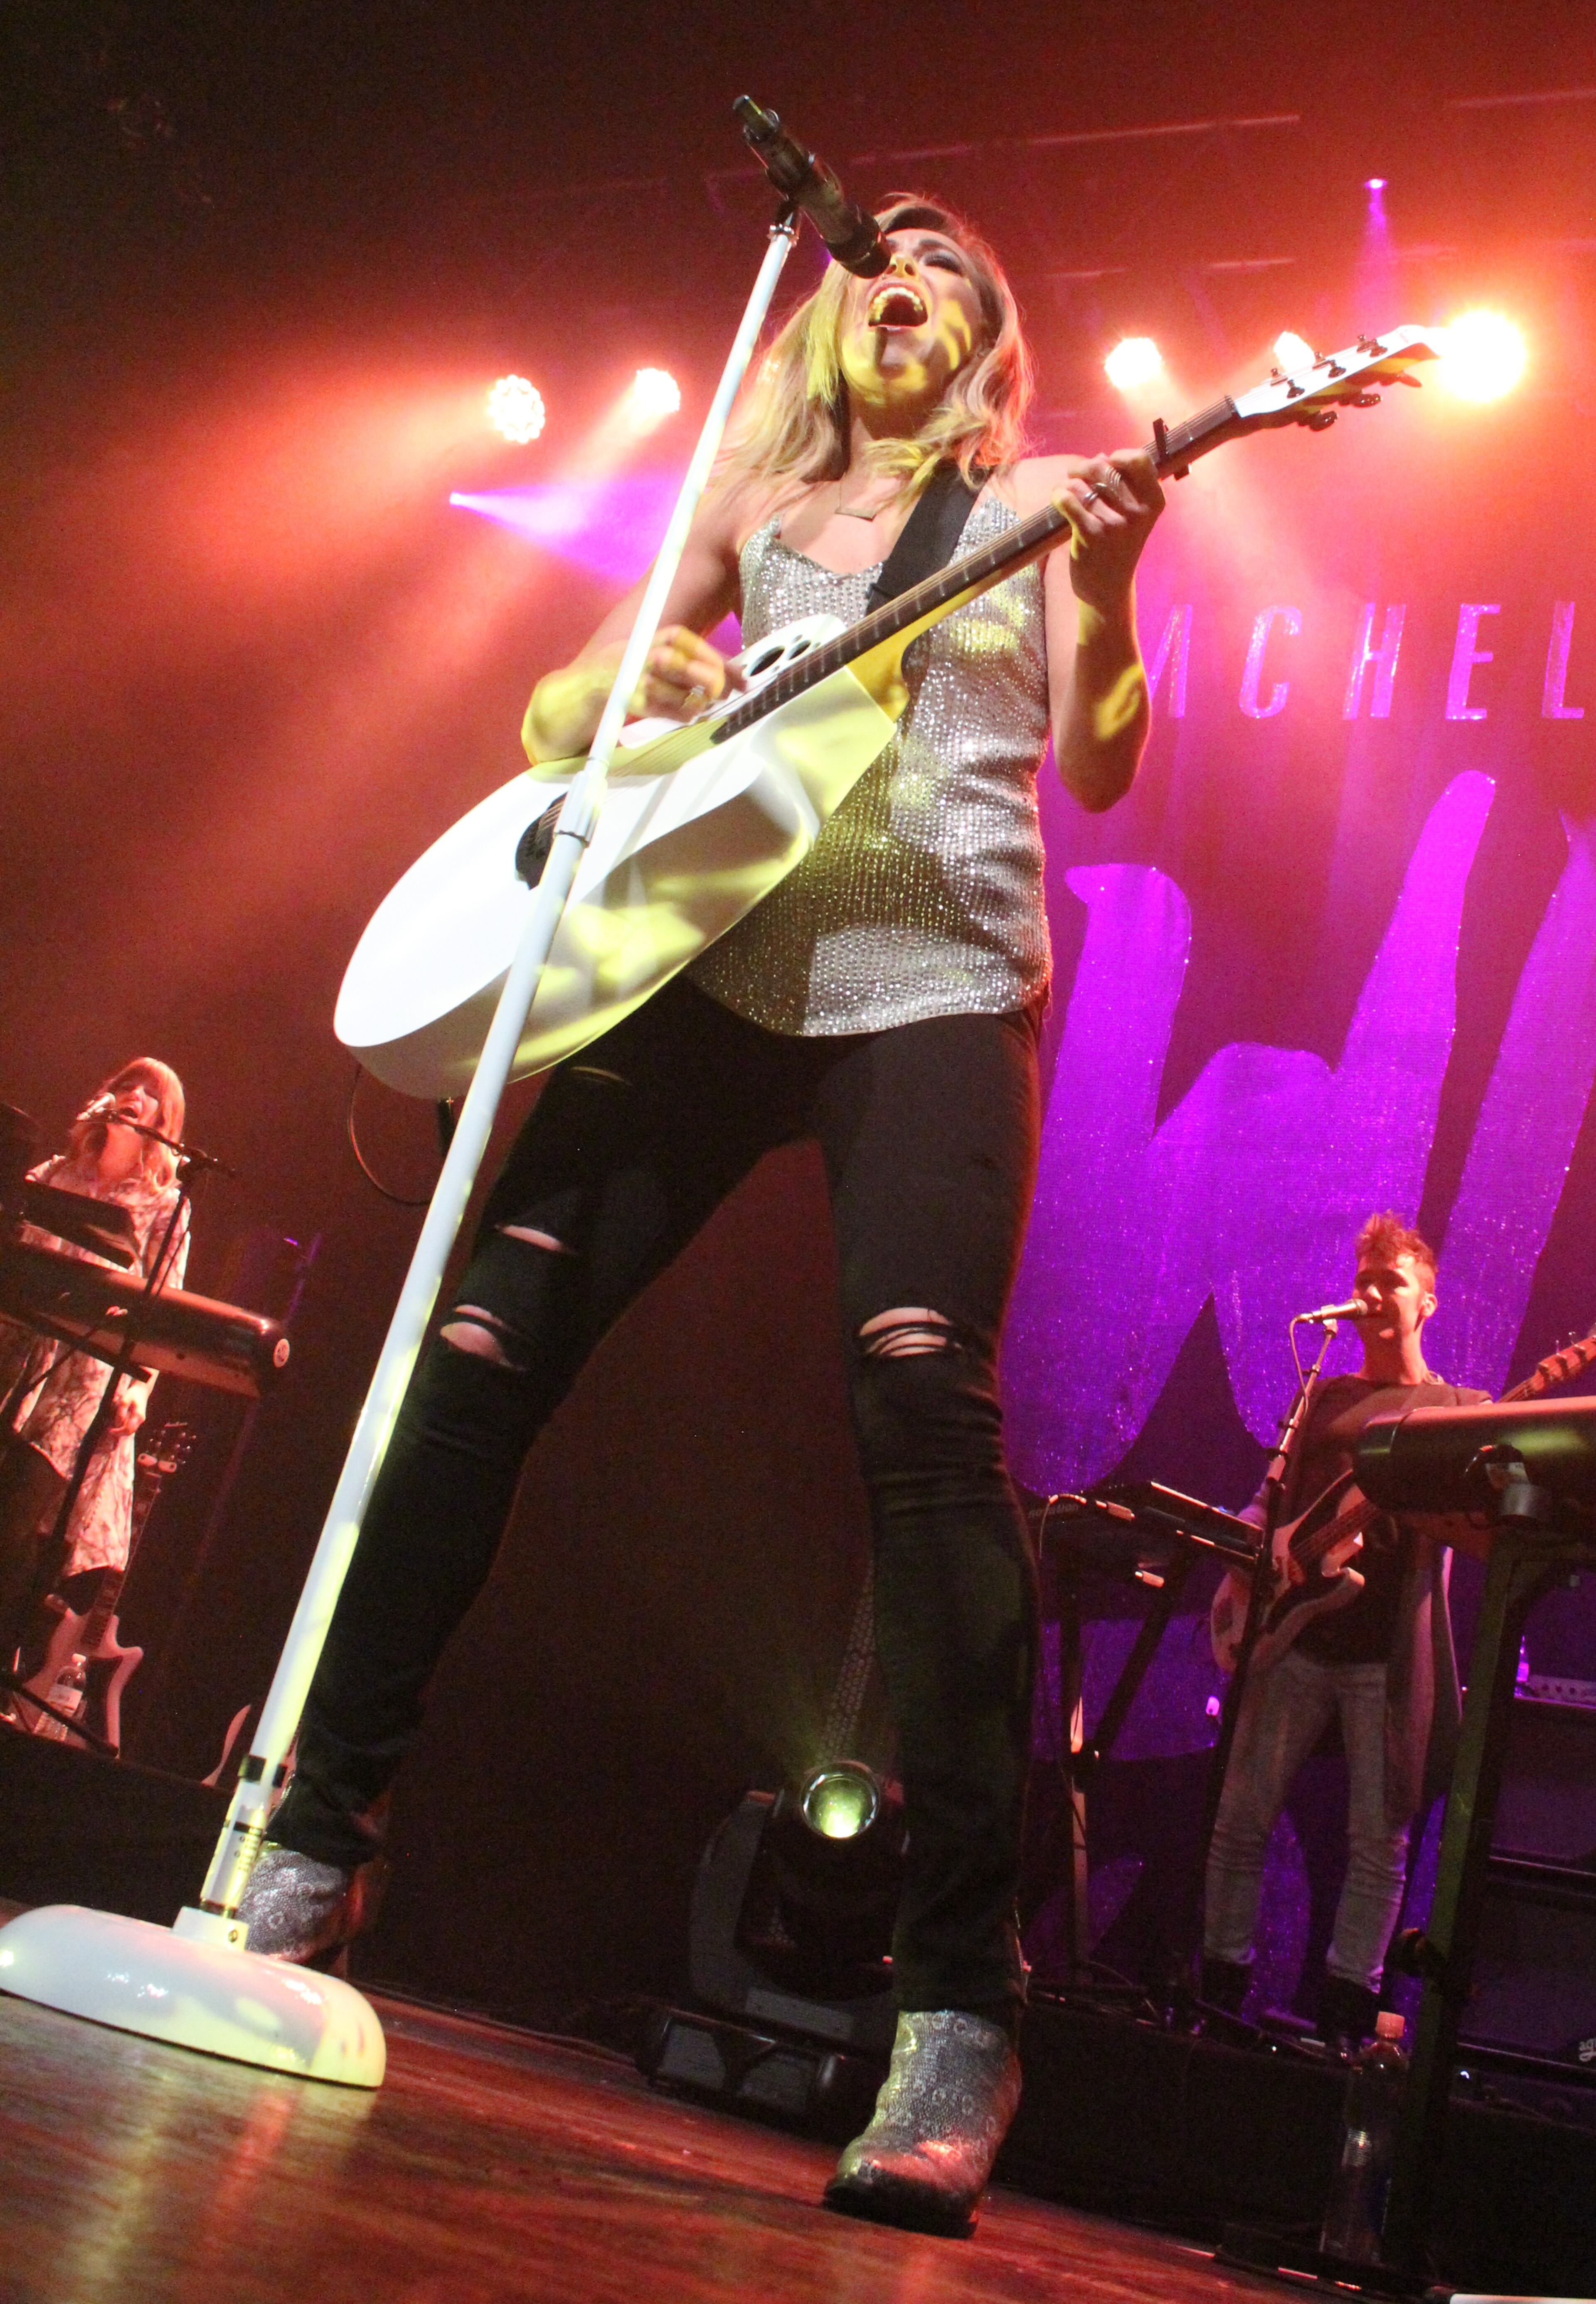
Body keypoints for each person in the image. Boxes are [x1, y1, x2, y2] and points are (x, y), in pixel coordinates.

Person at [242, 195, 1163, 2233]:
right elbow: (557, 733)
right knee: (476, 1347)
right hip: (704, 960)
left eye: (944, 276)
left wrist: (1124, 580)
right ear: (833, 330)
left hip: (933, 974)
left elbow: (1100, 759)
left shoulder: (1034, 504)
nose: (896, 286)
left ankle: (958, 2014)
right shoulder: (742, 507)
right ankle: (317, 1831)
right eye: (876, 267)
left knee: (920, 1402)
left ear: (987, 354)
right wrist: (633, 682)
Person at [1201, 1212, 1488, 2053]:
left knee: (1378, 1842)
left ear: (1427, 1303)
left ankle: (1341, 2019)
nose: (1371, 1296)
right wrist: (1243, 1553)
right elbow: (1272, 1500)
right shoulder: (1325, 1392)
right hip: (1294, 1639)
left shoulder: (1454, 1409)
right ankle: (1218, 1991)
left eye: (1390, 1283)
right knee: (1238, 1821)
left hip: (1385, 1658)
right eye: (1364, 1282)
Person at [0, 1059, 190, 1705]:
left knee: (19, 1529)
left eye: (149, 1094)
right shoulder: (53, 1175)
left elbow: (166, 1309)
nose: (132, 1096)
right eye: (124, 1084)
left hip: (80, 1385)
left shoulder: (165, 1207)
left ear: (165, 1125)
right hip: (14, 1361)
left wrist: (140, 1388)